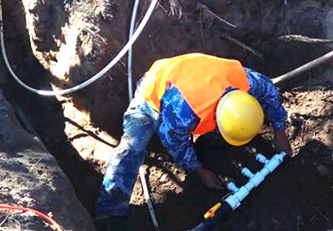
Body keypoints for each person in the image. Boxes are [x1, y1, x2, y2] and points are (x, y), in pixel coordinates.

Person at [95, 53, 291, 221]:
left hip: (191, 77)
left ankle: (212, 145)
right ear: (216, 118)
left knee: (213, 136)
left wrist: (280, 132)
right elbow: (174, 142)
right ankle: (110, 209)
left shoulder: (244, 81)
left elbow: (269, 92)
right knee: (131, 148)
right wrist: (199, 172)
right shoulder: (182, 113)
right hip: (153, 92)